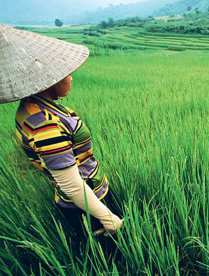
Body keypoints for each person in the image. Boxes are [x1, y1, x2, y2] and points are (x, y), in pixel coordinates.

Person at [0, 25, 124, 242]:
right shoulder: (44, 126)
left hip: (87, 196)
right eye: (67, 74)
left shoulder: (33, 107)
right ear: (49, 81)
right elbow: (71, 184)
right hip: (87, 204)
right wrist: (107, 217)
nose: (71, 78)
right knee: (109, 256)